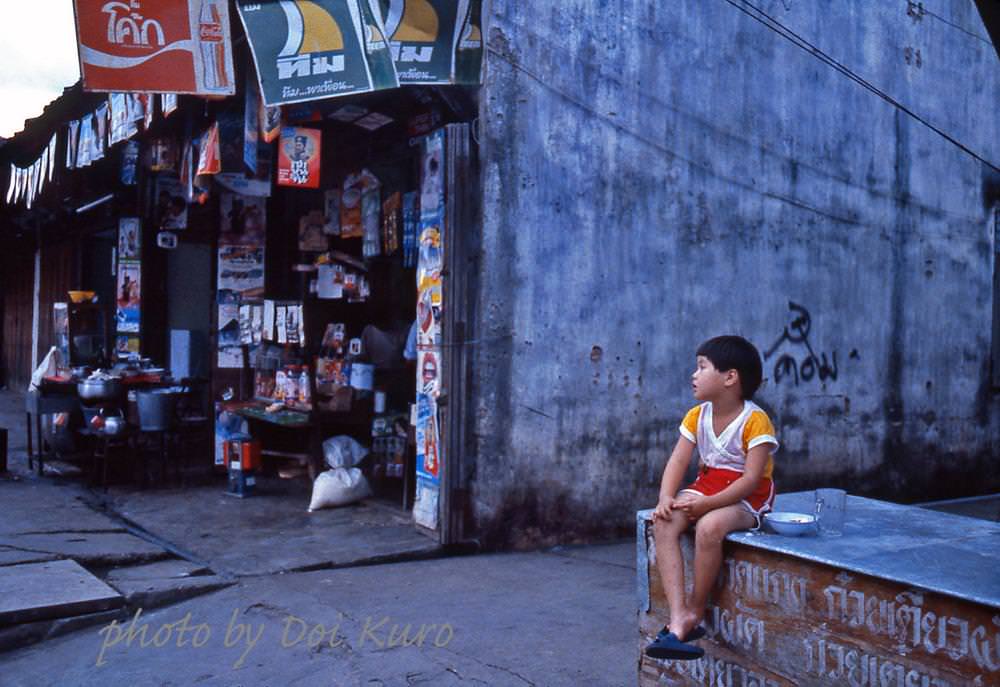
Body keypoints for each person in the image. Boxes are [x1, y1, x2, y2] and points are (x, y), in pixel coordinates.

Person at [644, 335, 778, 661]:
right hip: (708, 484)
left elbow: (751, 480)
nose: (693, 374)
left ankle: (696, 608)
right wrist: (665, 497)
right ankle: (679, 618)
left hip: (747, 494)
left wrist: (706, 505)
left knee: (709, 527)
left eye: (702, 367)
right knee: (663, 522)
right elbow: (678, 461)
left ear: (730, 377)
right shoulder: (697, 415)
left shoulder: (755, 420)